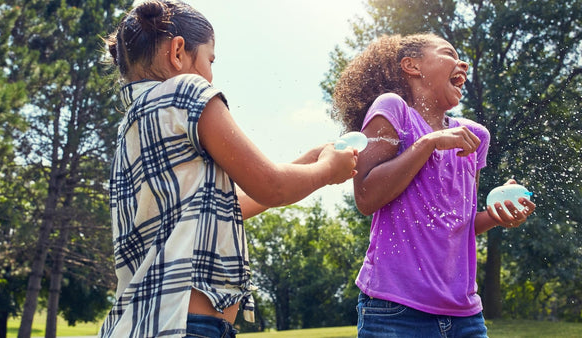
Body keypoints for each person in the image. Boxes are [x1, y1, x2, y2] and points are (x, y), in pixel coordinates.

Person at [99, 1, 358, 337]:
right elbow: (272, 186)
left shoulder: (131, 126)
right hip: (188, 326)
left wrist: (308, 162)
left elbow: (225, 205)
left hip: (141, 323)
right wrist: (327, 171)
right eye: (210, 59)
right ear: (178, 52)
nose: (210, 73)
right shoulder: (187, 91)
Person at [332, 33, 536, 337]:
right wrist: (427, 143)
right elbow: (365, 196)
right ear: (412, 66)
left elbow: (459, 223)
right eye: (448, 53)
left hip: (466, 315)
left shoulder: (474, 135)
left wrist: (496, 215)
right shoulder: (394, 109)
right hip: (395, 311)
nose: (462, 63)